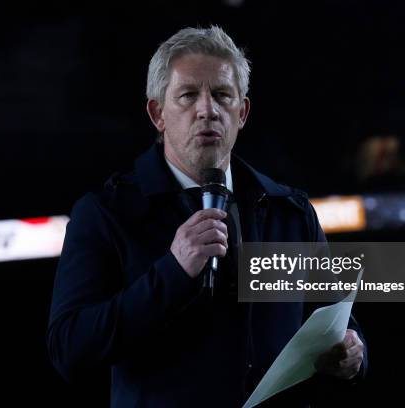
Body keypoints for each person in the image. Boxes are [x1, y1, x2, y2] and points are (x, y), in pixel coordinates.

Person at [47, 26, 367, 407]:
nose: (208, 109)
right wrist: (173, 272)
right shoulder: (105, 214)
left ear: (242, 111)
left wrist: (353, 355)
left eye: (221, 95)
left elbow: (338, 325)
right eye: (187, 96)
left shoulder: (290, 211)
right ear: (157, 114)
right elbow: (70, 350)